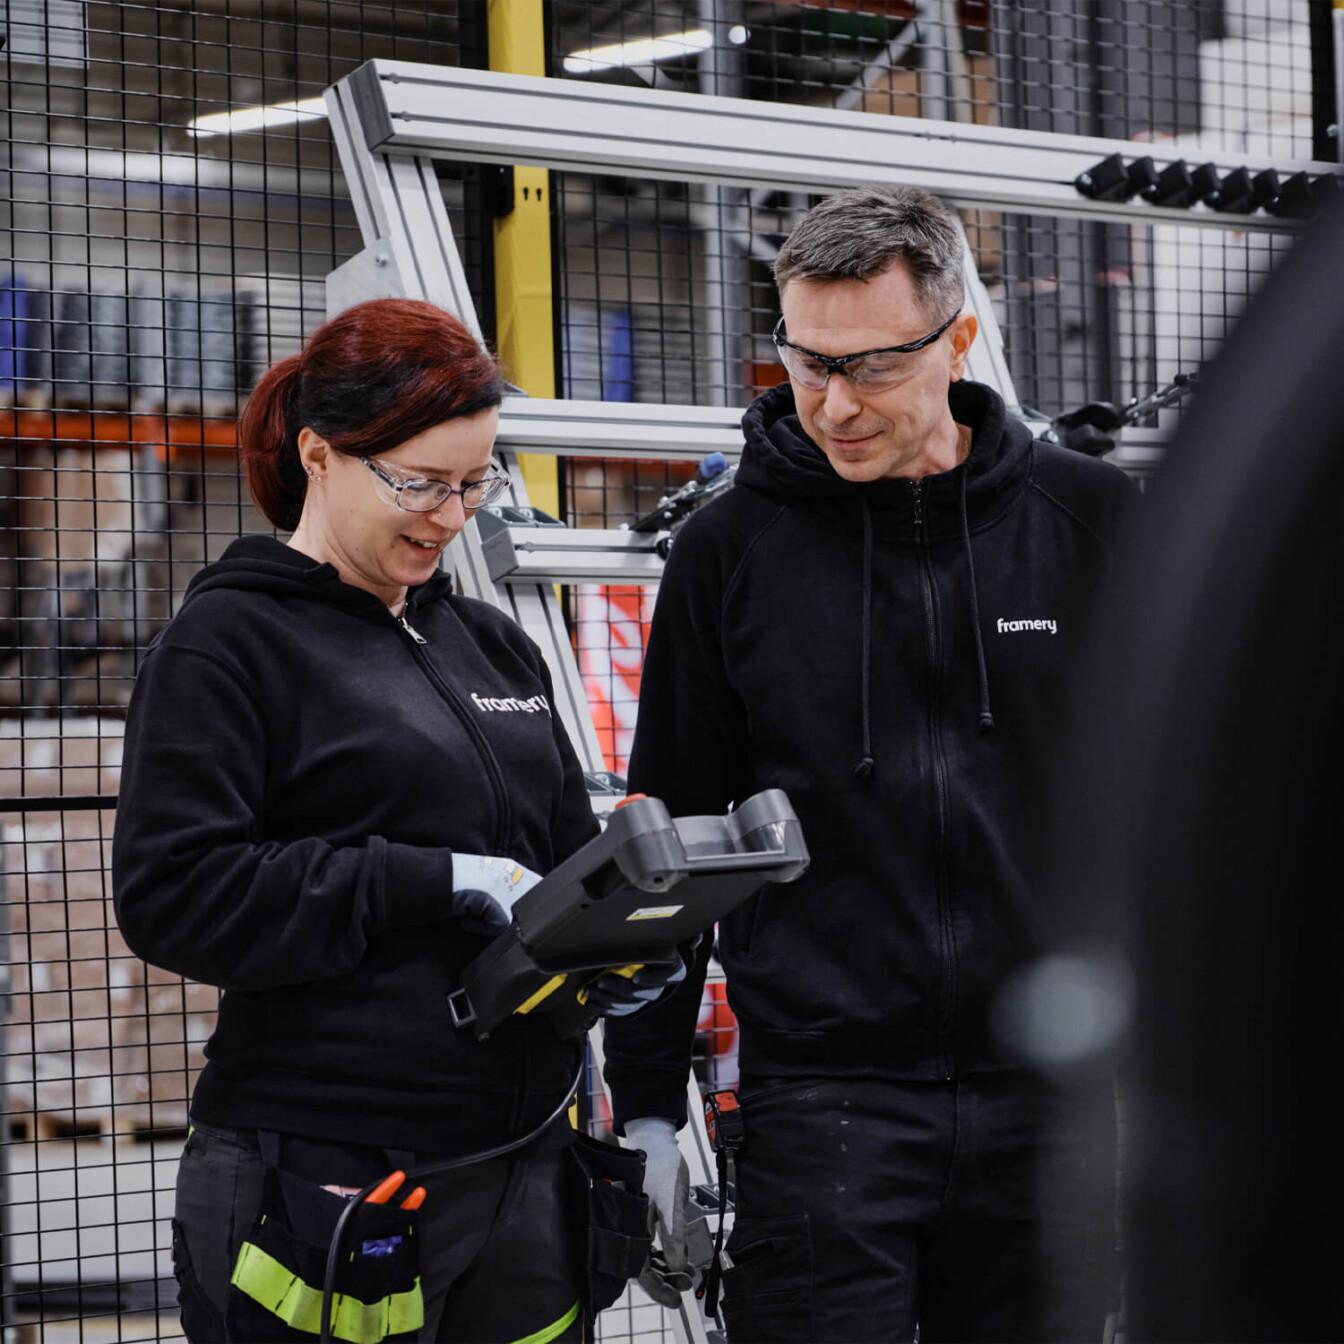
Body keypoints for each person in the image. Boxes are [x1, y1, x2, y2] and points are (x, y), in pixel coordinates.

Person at [604, 187, 1136, 1342]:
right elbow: (667, 842)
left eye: (874, 368)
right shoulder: (726, 554)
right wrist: (643, 1108)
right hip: (823, 1108)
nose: (833, 406)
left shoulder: (1090, 527)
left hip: (1050, 1099)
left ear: (955, 340)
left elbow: (1185, 814)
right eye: (806, 364)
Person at [112, 298, 676, 1344]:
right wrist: (438, 878)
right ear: (319, 454)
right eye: (418, 482)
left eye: (474, 482)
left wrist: (621, 935)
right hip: (329, 1168)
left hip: (522, 1163)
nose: (450, 515)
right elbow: (174, 895)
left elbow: (548, 866)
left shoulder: (492, 648)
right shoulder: (228, 645)